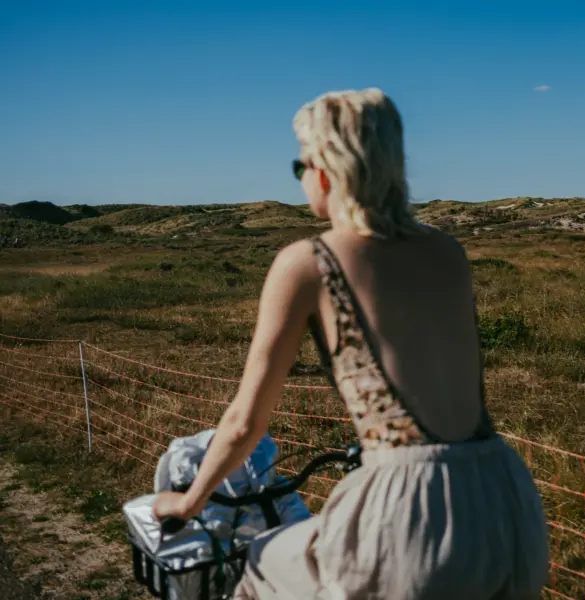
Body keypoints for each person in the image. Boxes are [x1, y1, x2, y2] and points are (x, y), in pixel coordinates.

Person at [152, 88, 549, 599]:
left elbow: (244, 424)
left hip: (409, 514)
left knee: (263, 565)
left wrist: (185, 504)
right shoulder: (449, 253)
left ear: (324, 170)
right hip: (505, 503)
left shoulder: (308, 262)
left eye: (301, 167)